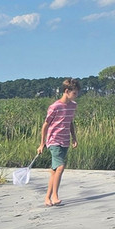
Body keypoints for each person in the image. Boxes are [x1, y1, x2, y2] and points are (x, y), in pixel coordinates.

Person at [37, 78, 80, 207]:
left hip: (65, 140)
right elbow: (45, 125)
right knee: (60, 167)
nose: (76, 96)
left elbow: (70, 122)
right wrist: (42, 143)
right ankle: (55, 196)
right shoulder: (54, 107)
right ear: (67, 91)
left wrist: (74, 138)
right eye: (74, 93)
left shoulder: (73, 106)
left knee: (54, 171)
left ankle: (47, 198)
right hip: (53, 140)